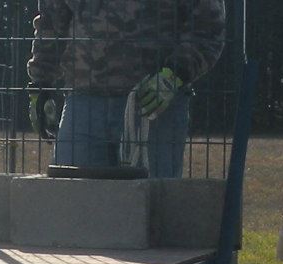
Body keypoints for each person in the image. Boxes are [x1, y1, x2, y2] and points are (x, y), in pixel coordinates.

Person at [27, 0, 227, 179]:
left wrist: (174, 75)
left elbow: (208, 28)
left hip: (155, 107)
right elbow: (51, 21)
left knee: (152, 207)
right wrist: (40, 84)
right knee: (73, 204)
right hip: (83, 105)